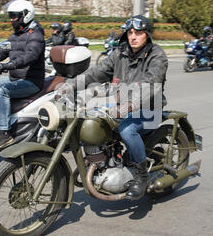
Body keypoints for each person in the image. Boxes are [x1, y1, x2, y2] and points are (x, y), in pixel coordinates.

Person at [56, 15, 168, 201]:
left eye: (138, 33)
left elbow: (151, 83)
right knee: (89, 119)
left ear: (146, 34)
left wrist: (130, 105)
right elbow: (95, 73)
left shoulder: (157, 55)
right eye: (130, 33)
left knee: (127, 130)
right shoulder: (120, 53)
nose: (133, 37)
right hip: (120, 104)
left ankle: (141, 176)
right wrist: (70, 85)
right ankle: (103, 159)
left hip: (149, 107)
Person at [0, 0, 46, 150]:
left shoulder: (36, 34)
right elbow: (0, 52)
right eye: (10, 16)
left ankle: (5, 133)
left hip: (31, 81)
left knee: (2, 90)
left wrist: (10, 64)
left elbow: (31, 56)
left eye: (14, 16)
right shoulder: (15, 35)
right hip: (15, 78)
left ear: (26, 15)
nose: (12, 20)